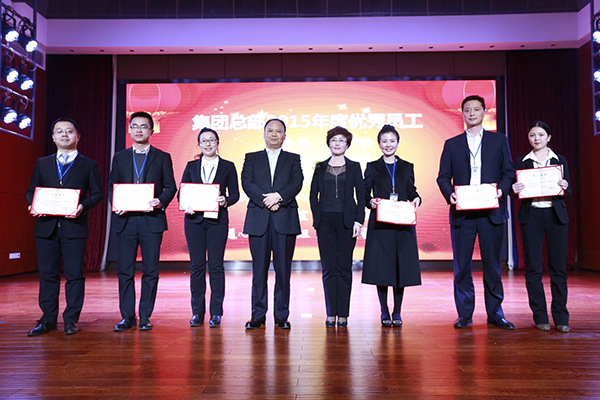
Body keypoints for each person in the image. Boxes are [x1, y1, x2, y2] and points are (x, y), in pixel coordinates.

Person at [437, 95, 516, 330]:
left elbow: (508, 172)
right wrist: (450, 194)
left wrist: (501, 191)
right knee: (462, 266)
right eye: (467, 110)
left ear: (484, 112)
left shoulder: (499, 140)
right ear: (462, 114)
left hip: (491, 210)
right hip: (463, 213)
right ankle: (464, 314)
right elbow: (443, 177)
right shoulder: (452, 144)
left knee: (492, 265)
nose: (471, 113)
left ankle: (495, 313)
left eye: (476, 109)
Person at [26, 118, 103, 336]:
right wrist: (33, 204)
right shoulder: (42, 163)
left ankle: (71, 320)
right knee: (47, 275)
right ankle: (47, 319)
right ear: (53, 137)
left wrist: (82, 207)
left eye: (69, 131)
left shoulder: (89, 165)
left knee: (74, 275)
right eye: (59, 131)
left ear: (78, 136)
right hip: (46, 228)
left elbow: (97, 194)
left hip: (74, 228)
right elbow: (32, 190)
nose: (64, 135)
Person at [108, 111, 177, 331]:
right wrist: (117, 203)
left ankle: (145, 315)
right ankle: (127, 316)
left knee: (151, 270)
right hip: (126, 220)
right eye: (135, 126)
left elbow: (171, 187)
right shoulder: (119, 157)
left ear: (151, 130)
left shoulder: (162, 157)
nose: (139, 130)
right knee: (125, 271)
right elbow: (112, 186)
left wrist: (160, 201)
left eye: (144, 126)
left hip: (151, 220)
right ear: (129, 130)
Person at [241, 118, 303, 330]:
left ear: (284, 136)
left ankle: (281, 315)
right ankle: (257, 315)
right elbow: (247, 182)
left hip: (284, 219)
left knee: (283, 271)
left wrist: (279, 197)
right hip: (258, 219)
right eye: (270, 131)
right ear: (264, 134)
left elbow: (297, 182)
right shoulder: (252, 157)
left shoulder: (293, 158)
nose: (274, 134)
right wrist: (266, 200)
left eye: (278, 131)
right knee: (258, 271)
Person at [512, 121, 571, 333]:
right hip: (532, 216)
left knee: (558, 269)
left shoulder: (560, 160)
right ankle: (540, 316)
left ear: (549, 137)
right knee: (533, 268)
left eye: (540, 135)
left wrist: (565, 186)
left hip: (556, 216)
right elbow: (514, 192)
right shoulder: (521, 162)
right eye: (532, 135)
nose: (536, 139)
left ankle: (561, 317)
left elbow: (568, 191)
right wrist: (514, 188)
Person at [362, 124, 421, 327]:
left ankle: (397, 311)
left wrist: (417, 199)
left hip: (402, 222)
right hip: (381, 224)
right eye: (384, 141)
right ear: (379, 144)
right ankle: (384, 310)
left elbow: (411, 190)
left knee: (400, 267)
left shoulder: (407, 166)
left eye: (392, 141)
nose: (388, 145)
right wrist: (369, 201)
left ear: (398, 143)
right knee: (382, 267)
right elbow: (364, 192)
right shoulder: (372, 166)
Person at [180, 128, 239, 328]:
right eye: (203, 141)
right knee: (196, 267)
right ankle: (197, 312)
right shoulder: (191, 166)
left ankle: (216, 312)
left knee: (216, 266)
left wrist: (225, 200)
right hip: (194, 221)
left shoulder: (228, 166)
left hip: (217, 222)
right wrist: (186, 204)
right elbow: (182, 192)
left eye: (211, 140)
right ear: (198, 145)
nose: (207, 144)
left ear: (217, 143)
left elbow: (235, 194)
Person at [310, 126, 365, 328]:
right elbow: (313, 195)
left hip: (347, 223)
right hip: (324, 222)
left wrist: (359, 221)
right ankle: (330, 313)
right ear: (329, 143)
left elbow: (361, 196)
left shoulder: (354, 167)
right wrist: (317, 218)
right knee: (328, 268)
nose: (337, 143)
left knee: (343, 268)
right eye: (334, 140)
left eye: (342, 140)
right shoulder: (320, 167)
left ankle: (343, 314)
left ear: (347, 144)